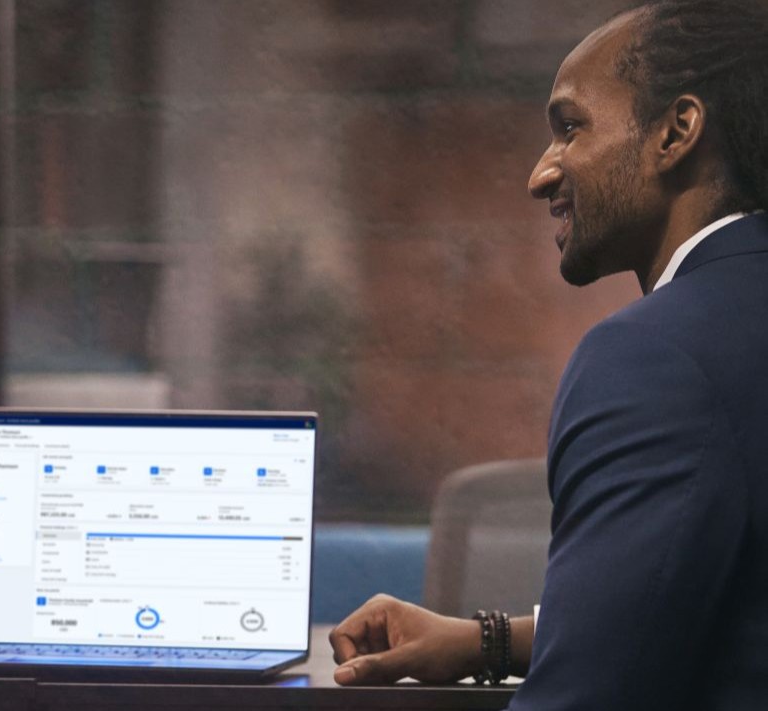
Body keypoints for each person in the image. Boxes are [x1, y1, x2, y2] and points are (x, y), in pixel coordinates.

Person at [329, 1, 768, 708]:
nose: (541, 174)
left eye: (571, 129)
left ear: (677, 132)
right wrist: (486, 641)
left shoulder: (652, 358)